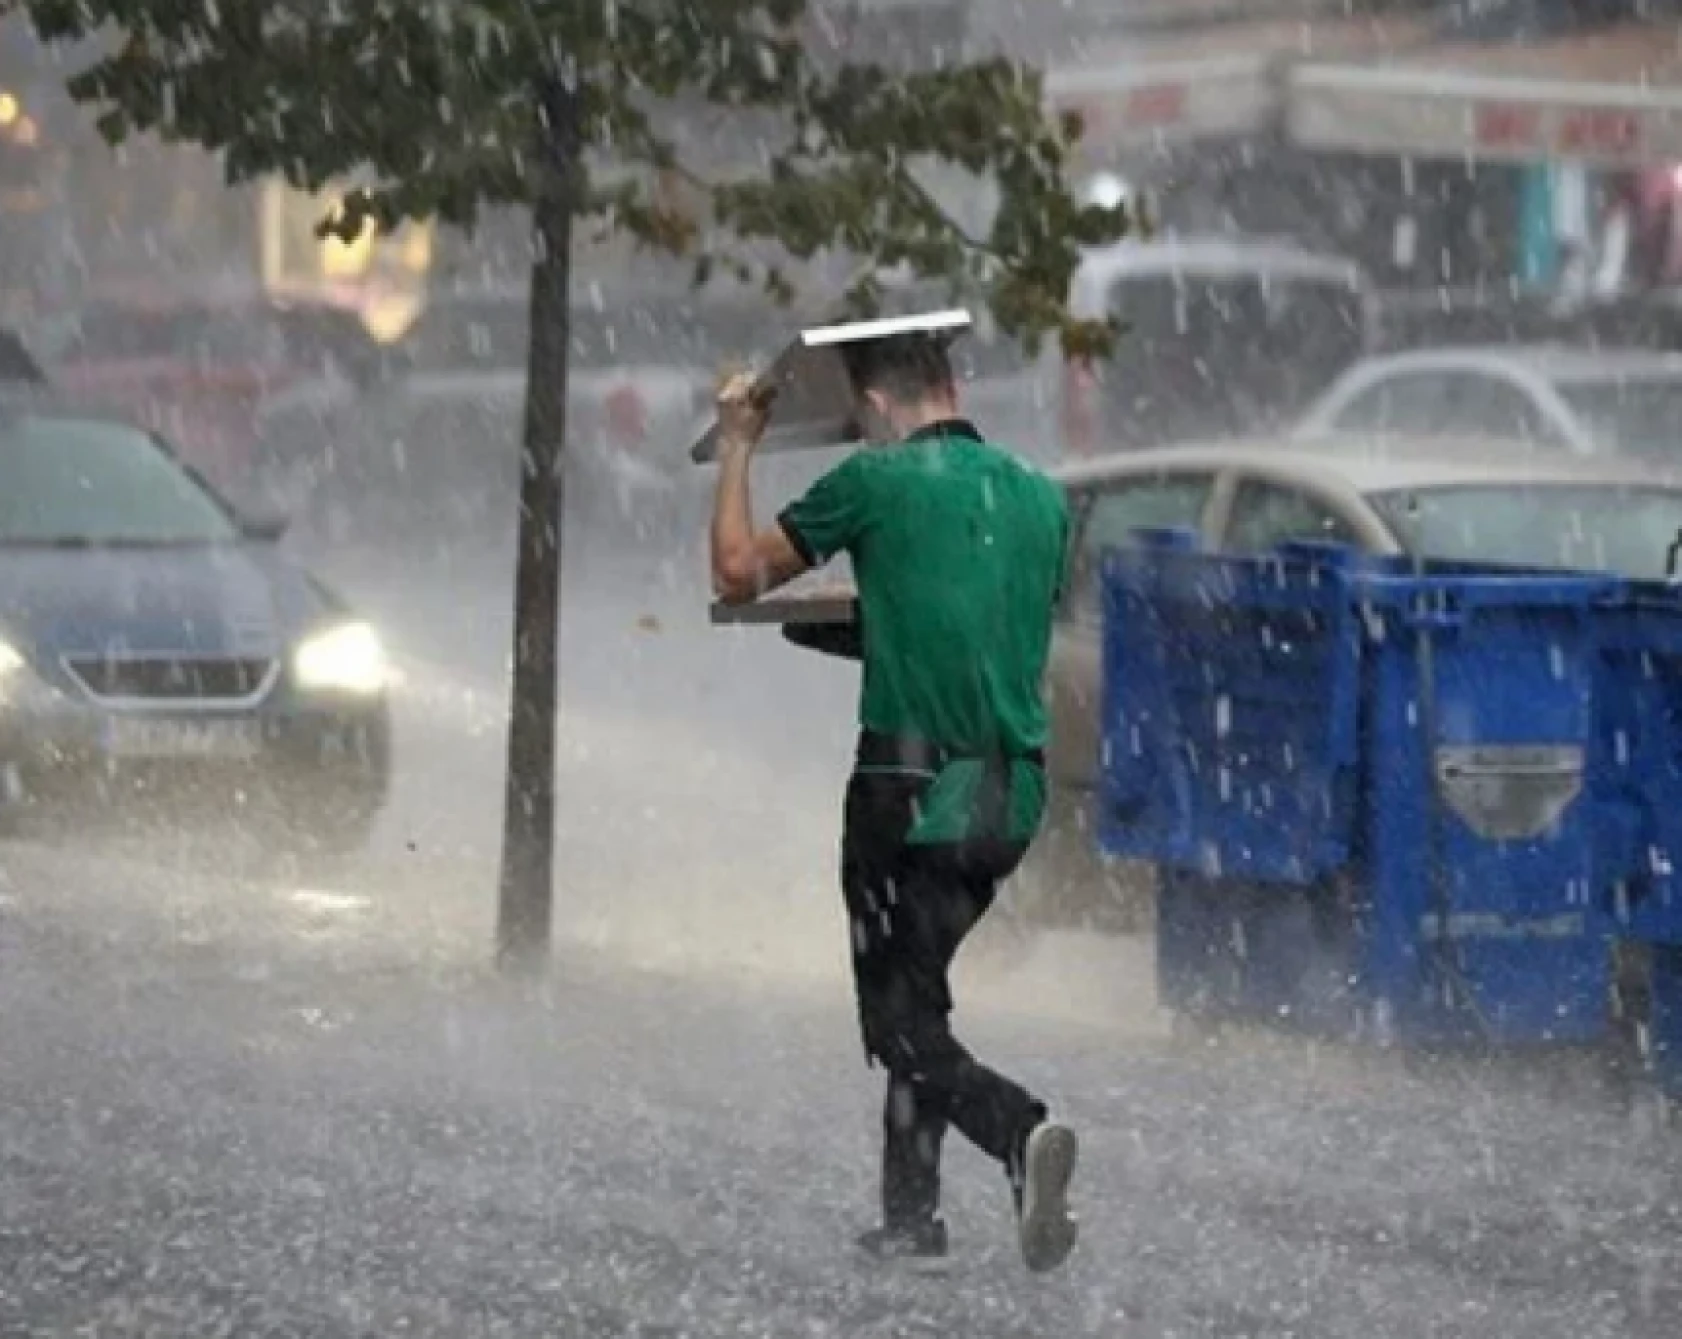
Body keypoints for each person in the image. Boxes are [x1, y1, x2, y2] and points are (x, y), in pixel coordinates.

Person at [708, 330, 1079, 1273]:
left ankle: (1017, 1129)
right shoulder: (1040, 497)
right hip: (1009, 798)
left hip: (907, 791)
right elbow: (979, 631)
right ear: (952, 383)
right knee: (918, 995)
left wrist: (740, 442)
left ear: (874, 405)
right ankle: (911, 1217)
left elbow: (735, 570)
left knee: (896, 1022)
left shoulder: (874, 482)